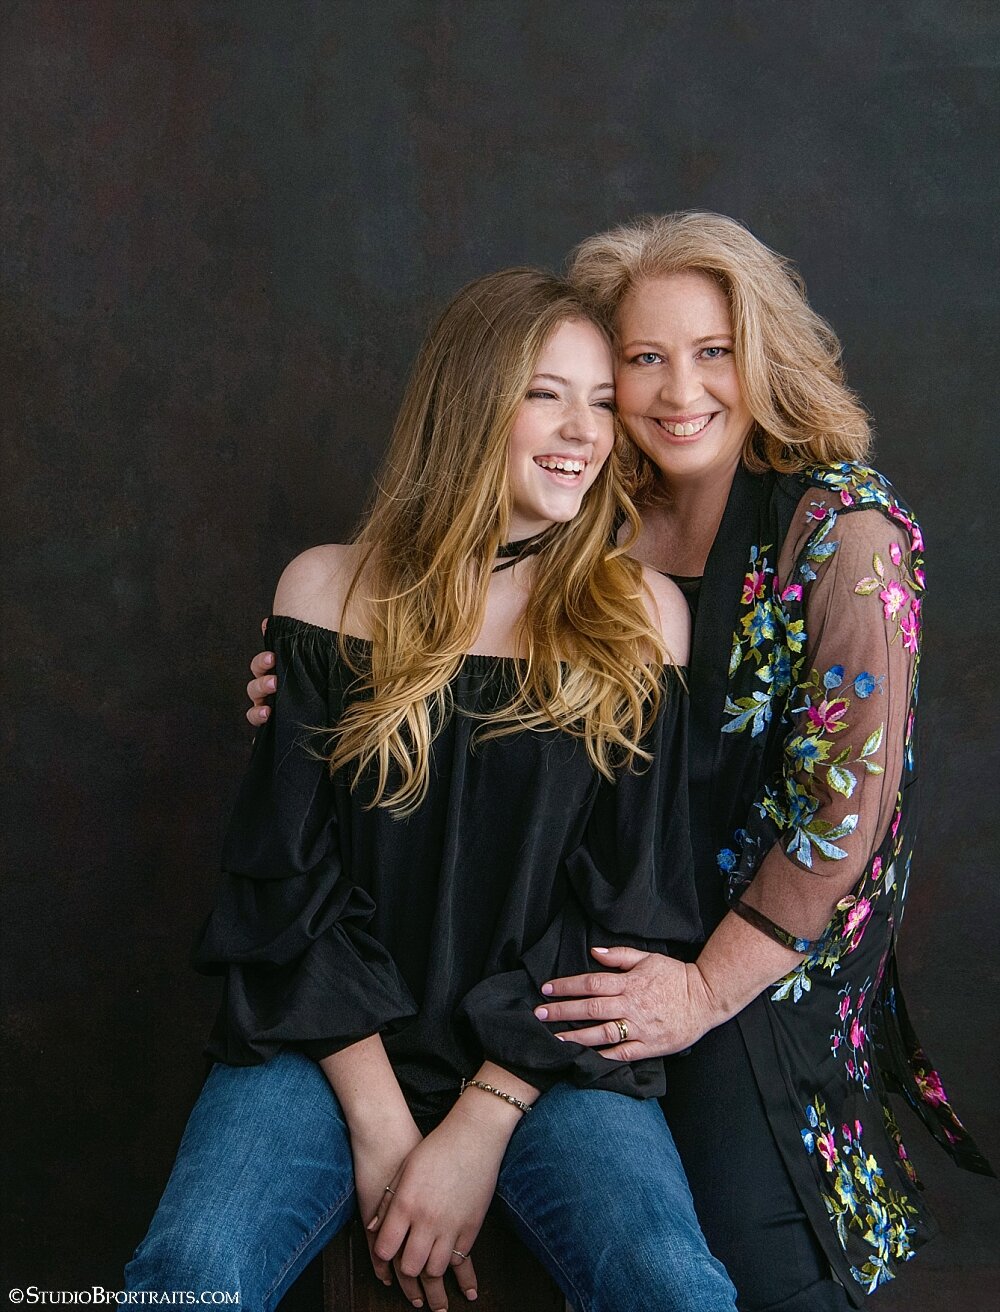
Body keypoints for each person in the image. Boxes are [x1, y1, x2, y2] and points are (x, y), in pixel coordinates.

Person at [246, 215, 992, 1310]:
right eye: (641, 357)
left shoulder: (842, 530)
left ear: (763, 356)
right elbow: (438, 665)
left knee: (741, 1262)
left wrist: (698, 989)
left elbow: (845, 812)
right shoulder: (596, 520)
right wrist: (301, 687)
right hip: (572, 949)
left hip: (743, 971)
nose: (675, 388)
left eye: (712, 352)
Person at [127, 267, 738, 1312]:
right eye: (546, 392)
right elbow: (285, 888)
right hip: (328, 1043)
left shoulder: (643, 617)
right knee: (188, 1274)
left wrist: (480, 1123)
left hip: (547, 1059)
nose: (582, 431)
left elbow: (622, 909)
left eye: (600, 402)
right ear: (471, 402)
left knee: (670, 1284)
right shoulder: (325, 590)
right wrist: (380, 1123)